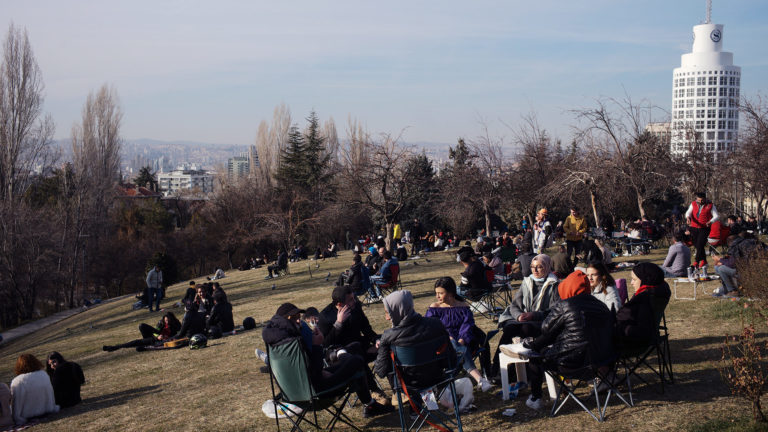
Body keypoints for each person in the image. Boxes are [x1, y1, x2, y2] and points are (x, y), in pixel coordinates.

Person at [262, 302, 393, 418]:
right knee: (357, 361)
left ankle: (370, 402)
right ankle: (370, 405)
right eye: (295, 319)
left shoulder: (275, 343)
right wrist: (317, 345)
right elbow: (316, 367)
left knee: (353, 352)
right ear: (286, 320)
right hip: (316, 393)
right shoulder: (295, 342)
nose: (299, 322)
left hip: (293, 395)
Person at [509, 270, 614, 410]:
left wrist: (533, 344)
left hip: (573, 362)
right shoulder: (600, 305)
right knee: (542, 347)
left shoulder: (566, 305)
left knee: (535, 356)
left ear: (568, 288)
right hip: (602, 361)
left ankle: (536, 398)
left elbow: (546, 329)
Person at [492, 254, 560, 380]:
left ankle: (521, 372)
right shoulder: (527, 282)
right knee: (510, 328)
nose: (535, 270)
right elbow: (514, 305)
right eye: (532, 267)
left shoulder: (554, 284)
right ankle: (498, 369)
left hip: (543, 323)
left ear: (547, 267)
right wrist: (518, 316)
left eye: (539, 267)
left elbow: (555, 310)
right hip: (524, 321)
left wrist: (534, 315)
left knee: (525, 328)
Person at [374, 290, 456, 392]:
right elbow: (452, 360)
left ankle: (408, 400)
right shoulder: (436, 324)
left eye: (388, 312)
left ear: (398, 310)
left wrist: (383, 348)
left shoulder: (388, 336)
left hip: (408, 387)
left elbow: (381, 372)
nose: (386, 318)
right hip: (438, 380)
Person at [425, 277, 492, 392]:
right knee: (452, 344)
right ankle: (479, 379)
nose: (437, 296)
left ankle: (444, 384)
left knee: (458, 347)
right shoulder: (435, 308)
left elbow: (468, 326)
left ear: (450, 293)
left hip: (465, 342)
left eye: (441, 293)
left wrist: (462, 340)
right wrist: (449, 338)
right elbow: (432, 328)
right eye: (436, 293)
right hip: (442, 345)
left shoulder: (463, 307)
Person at [615, 263, 671, 350]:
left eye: (634, 279)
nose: (631, 283)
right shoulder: (659, 292)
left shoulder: (644, 299)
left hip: (631, 343)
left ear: (646, 279)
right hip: (651, 337)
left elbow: (640, 330)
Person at [10, 354, 59, 425]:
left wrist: (17, 419)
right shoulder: (43, 375)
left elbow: (16, 405)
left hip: (28, 415)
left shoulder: (18, 381)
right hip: (47, 411)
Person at [103, 312, 182, 352]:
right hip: (155, 338)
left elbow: (180, 333)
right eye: (166, 320)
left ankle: (113, 347)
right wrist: (157, 336)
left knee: (136, 343)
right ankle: (113, 347)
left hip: (162, 341)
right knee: (141, 327)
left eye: (168, 320)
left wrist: (168, 338)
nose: (167, 322)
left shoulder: (176, 323)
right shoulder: (161, 323)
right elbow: (155, 332)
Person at [685, 192, 719, 272]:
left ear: (705, 199)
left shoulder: (710, 205)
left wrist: (711, 221)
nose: (700, 202)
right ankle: (704, 260)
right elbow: (688, 212)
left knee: (700, 244)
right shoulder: (693, 204)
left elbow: (716, 216)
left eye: (702, 200)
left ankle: (696, 261)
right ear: (696, 199)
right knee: (697, 245)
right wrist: (688, 217)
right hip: (693, 227)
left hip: (704, 228)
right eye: (698, 200)